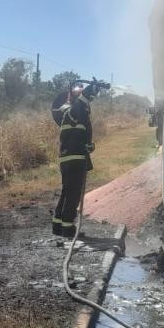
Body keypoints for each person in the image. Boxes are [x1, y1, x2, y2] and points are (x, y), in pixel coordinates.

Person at [51, 83, 95, 237]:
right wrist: (85, 94)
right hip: (74, 159)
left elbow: (81, 133)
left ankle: (57, 226)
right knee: (73, 195)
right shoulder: (70, 110)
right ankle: (68, 228)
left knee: (67, 192)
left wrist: (88, 144)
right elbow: (76, 108)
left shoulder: (76, 115)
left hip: (71, 158)